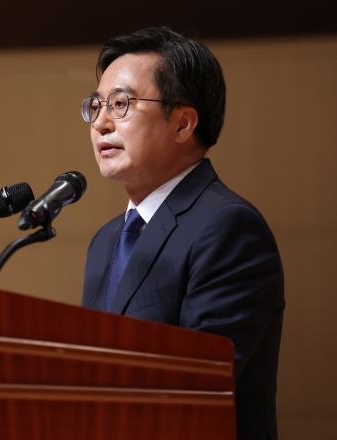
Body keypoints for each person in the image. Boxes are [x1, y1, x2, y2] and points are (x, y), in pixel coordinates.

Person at [81, 27, 285, 440]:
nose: (100, 123)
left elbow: (198, 384)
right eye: (96, 105)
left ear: (183, 124)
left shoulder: (228, 227)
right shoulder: (106, 240)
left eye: (120, 104)